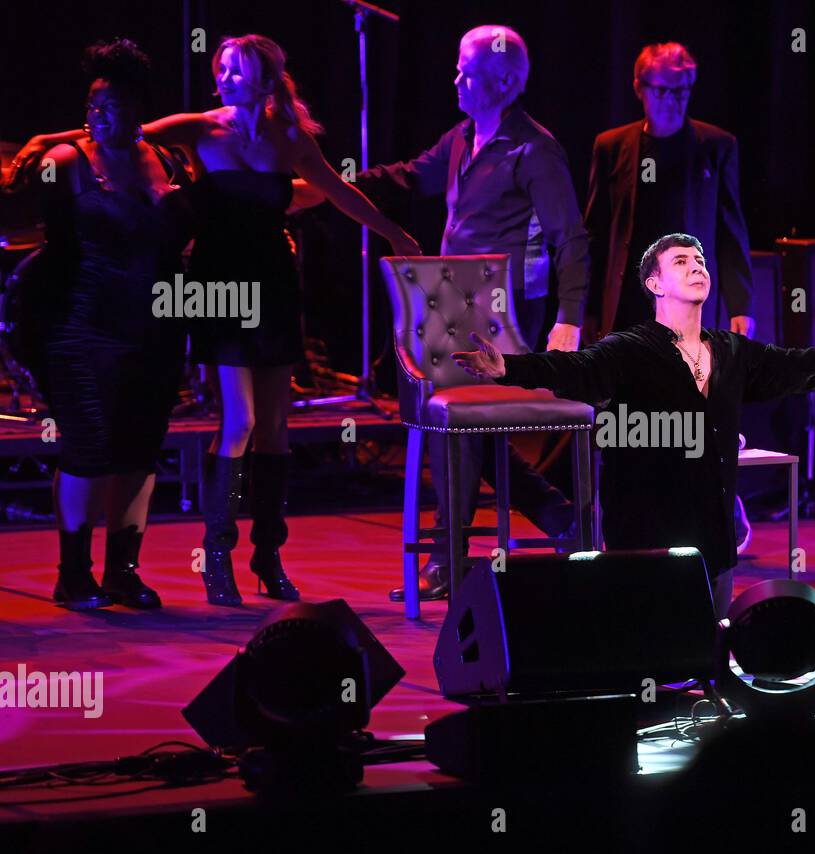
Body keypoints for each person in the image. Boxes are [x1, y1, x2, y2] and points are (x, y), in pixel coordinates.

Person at [7, 34, 422, 606]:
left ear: (265, 78)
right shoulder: (201, 127)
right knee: (239, 422)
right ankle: (216, 555)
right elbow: (115, 128)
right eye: (220, 69)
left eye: (235, 70)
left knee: (270, 428)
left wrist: (394, 234)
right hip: (217, 288)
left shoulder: (291, 138)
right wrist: (44, 137)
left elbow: (339, 191)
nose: (223, 78)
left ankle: (265, 557)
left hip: (270, 285)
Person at [452, 233, 815, 614]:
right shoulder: (632, 348)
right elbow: (576, 370)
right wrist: (509, 369)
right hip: (646, 542)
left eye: (701, 261)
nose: (697, 267)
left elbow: (806, 365)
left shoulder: (731, 353)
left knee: (705, 660)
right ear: (654, 284)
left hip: (713, 542)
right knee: (652, 655)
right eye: (681, 262)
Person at [298, 24, 588, 601]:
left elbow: (571, 239)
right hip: (455, 304)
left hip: (505, 310)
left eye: (467, 71)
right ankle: (557, 519)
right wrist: (327, 185)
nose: (454, 79)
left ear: (504, 82)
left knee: (451, 426)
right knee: (459, 425)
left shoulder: (534, 149)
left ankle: (447, 559)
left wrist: (570, 318)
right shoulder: (462, 137)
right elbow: (406, 175)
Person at [2, 39, 192, 610]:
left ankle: (123, 571)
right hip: (83, 327)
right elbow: (33, 229)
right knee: (87, 446)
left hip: (156, 327)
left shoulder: (170, 160)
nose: (96, 116)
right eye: (91, 106)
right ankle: (73, 572)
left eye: (109, 106)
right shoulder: (67, 164)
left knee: (139, 450)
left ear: (137, 109)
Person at [585, 41, 757, 549]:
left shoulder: (715, 145)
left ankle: (718, 517)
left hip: (689, 308)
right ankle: (633, 534)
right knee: (630, 420)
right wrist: (583, 313)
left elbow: (731, 230)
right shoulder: (612, 146)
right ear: (640, 90)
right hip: (632, 304)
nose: (674, 101)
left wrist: (743, 305)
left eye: (683, 91)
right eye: (663, 91)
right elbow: (595, 234)